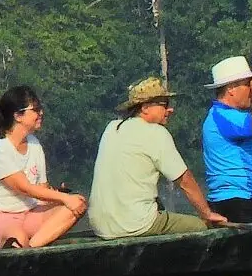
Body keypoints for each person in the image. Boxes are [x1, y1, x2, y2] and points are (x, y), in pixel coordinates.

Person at [89, 77, 229, 238]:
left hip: (100, 227)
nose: (170, 110)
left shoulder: (112, 128)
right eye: (164, 105)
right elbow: (185, 181)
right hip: (135, 224)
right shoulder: (156, 133)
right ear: (145, 107)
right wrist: (207, 214)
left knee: (158, 206)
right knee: (201, 227)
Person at [0, 86, 86, 249]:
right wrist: (64, 198)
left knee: (77, 203)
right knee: (17, 237)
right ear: (18, 116)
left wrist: (61, 195)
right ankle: (23, 247)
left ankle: (31, 249)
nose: (41, 114)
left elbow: (41, 189)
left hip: (28, 214)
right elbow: (24, 188)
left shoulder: (34, 143)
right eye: (36, 110)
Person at [201, 55, 252, 222]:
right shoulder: (224, 116)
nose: (250, 90)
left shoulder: (223, 116)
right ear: (232, 89)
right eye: (247, 85)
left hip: (238, 201)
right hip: (238, 202)